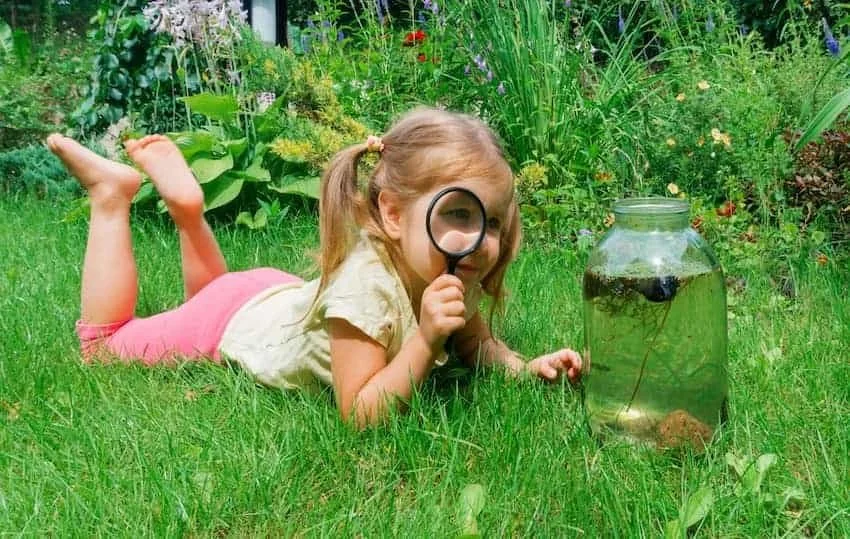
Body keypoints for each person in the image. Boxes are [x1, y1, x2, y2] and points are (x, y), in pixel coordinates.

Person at [47, 107, 582, 427]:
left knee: (209, 293)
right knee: (103, 348)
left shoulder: (449, 274)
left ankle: (189, 211)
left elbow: (476, 345)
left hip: (272, 296)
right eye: (459, 213)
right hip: (230, 320)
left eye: (492, 222)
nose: (480, 241)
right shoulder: (364, 293)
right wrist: (422, 341)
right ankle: (112, 196)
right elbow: (360, 412)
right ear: (393, 214)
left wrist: (525, 367)